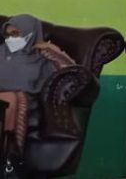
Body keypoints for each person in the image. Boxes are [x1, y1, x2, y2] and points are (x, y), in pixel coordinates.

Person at [0, 14, 75, 176]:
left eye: (16, 34)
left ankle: (8, 159)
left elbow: (73, 73)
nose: (11, 39)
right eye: (8, 35)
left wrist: (51, 50)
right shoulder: (1, 52)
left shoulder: (41, 59)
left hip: (22, 101)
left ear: (31, 33)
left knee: (12, 100)